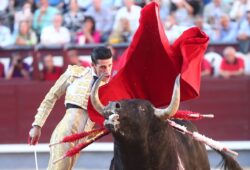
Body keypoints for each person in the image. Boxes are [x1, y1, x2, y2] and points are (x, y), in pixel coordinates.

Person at [29, 46, 113, 170]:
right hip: (66, 132)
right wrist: (37, 125)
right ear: (93, 65)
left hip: (82, 140)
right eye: (103, 67)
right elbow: (51, 97)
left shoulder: (111, 88)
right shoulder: (75, 73)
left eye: (110, 65)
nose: (107, 71)